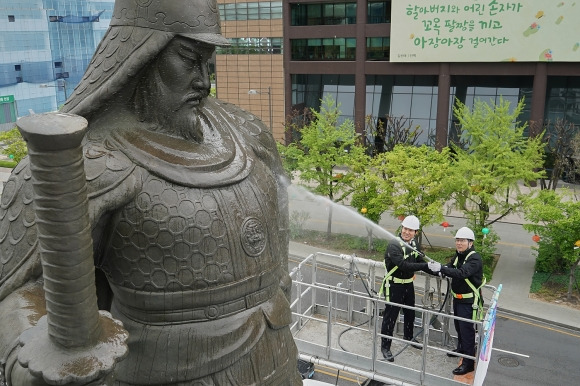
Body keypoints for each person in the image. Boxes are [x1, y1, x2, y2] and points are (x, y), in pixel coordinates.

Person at [0, 0, 302, 385]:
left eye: (207, 62)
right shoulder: (85, 163)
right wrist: (28, 360)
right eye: (188, 59)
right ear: (141, 54)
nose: (203, 81)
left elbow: (280, 226)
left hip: (277, 358)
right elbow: (19, 292)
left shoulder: (248, 132)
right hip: (168, 371)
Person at [428, 226, 484, 376]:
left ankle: (468, 363)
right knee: (459, 327)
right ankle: (461, 349)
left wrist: (442, 268)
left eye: (463, 241)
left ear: (470, 243)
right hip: (459, 299)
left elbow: (461, 273)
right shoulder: (459, 255)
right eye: (457, 240)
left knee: (467, 331)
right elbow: (450, 267)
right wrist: (439, 269)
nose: (459, 243)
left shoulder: (474, 258)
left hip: (468, 301)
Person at [379, 215, 430, 362]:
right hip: (394, 284)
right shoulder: (394, 245)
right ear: (402, 228)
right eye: (405, 228)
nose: (407, 232)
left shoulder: (414, 244)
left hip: (408, 283)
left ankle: (408, 337)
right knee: (391, 316)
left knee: (410, 312)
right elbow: (404, 265)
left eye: (411, 230)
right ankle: (385, 346)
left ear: (416, 232)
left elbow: (419, 261)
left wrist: (439, 270)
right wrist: (425, 266)